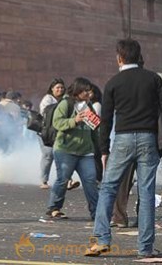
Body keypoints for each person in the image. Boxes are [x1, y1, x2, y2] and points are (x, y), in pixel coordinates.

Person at [87, 39, 162, 259]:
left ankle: (102, 239)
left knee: (108, 188)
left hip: (123, 138)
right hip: (148, 138)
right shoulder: (153, 79)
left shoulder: (113, 83)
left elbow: (105, 121)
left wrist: (103, 150)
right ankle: (145, 248)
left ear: (120, 58)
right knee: (146, 193)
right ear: (139, 56)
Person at [45, 77, 99, 220]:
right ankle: (54, 208)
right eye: (85, 91)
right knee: (63, 179)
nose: (88, 94)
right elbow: (57, 123)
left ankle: (96, 212)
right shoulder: (65, 103)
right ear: (78, 91)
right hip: (65, 149)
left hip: (86, 151)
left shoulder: (88, 105)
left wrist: (99, 147)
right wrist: (74, 121)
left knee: (90, 180)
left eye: (89, 91)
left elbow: (94, 129)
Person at [38, 78, 65, 189]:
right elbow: (46, 113)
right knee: (48, 155)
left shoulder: (65, 99)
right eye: (57, 87)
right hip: (46, 132)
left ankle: (66, 180)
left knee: (63, 155)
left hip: (59, 131)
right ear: (52, 89)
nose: (60, 90)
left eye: (62, 88)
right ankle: (44, 181)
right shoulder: (48, 99)